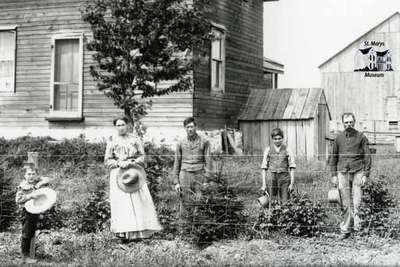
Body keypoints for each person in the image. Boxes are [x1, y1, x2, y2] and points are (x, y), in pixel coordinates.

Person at [104, 116, 162, 242]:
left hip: (134, 173)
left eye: (123, 125)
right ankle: (122, 233)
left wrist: (133, 161)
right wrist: (118, 163)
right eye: (118, 125)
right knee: (122, 203)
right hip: (119, 175)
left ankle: (140, 232)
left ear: (128, 125)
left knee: (138, 201)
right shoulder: (112, 140)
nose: (121, 128)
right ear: (115, 127)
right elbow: (107, 160)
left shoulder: (135, 139)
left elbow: (142, 156)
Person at [329, 112, 371, 239]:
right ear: (343, 123)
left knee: (357, 202)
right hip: (342, 172)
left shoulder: (361, 137)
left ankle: (358, 229)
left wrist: (365, 174)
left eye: (351, 122)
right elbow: (333, 157)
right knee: (345, 202)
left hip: (358, 171)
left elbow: (367, 156)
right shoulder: (338, 138)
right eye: (346, 122)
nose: (348, 125)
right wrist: (333, 175)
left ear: (354, 122)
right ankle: (345, 230)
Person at [173, 117, 213, 228]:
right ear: (185, 129)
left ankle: (198, 228)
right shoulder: (180, 143)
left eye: (192, 126)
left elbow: (209, 160)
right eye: (188, 127)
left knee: (199, 199)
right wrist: (176, 181)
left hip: (199, 173)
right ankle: (184, 228)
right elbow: (177, 161)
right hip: (184, 174)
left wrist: (207, 179)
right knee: (185, 199)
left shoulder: (204, 141)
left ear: (196, 127)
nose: (190, 129)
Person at [15, 165, 50, 264]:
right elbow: (18, 200)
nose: (31, 176)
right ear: (24, 175)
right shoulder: (23, 186)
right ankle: (24, 257)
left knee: (30, 233)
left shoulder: (35, 183)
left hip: (34, 212)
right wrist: (30, 196)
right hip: (26, 213)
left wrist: (40, 182)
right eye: (28, 174)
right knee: (26, 233)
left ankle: (27, 256)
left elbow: (47, 179)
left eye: (33, 174)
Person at [260, 128, 296, 204]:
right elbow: (264, 168)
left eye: (279, 138)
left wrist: (292, 183)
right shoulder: (268, 150)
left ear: (282, 138)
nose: (277, 140)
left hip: (284, 177)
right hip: (271, 177)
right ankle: (271, 215)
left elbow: (292, 167)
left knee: (285, 201)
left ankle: (285, 214)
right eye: (275, 139)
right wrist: (263, 184)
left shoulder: (288, 150)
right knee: (271, 200)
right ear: (272, 139)